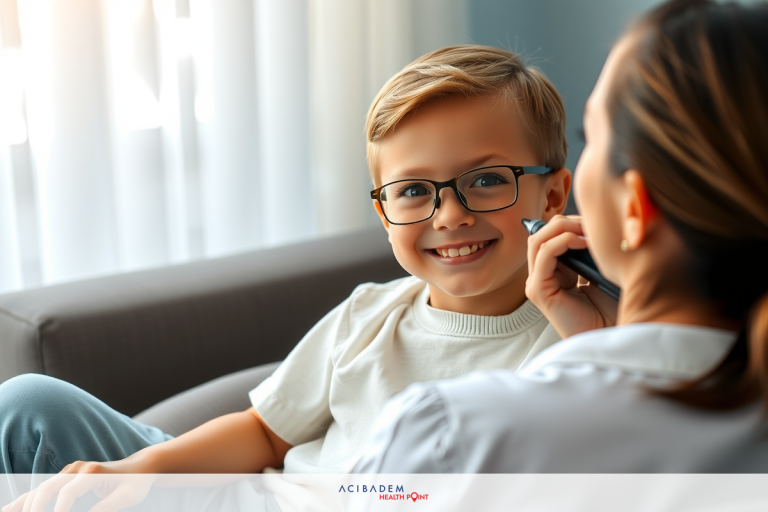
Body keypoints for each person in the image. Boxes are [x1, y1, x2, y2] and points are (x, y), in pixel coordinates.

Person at [0, 45, 571, 480]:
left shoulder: (575, 342)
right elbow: (264, 433)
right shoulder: (368, 316)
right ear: (383, 213)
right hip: (248, 494)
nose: (449, 215)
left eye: (487, 180)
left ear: (551, 196)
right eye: (414, 191)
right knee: (27, 404)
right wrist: (137, 471)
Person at [356, 0, 768, 473]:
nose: (450, 216)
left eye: (590, 136)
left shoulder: (448, 435)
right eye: (413, 190)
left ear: (634, 207)